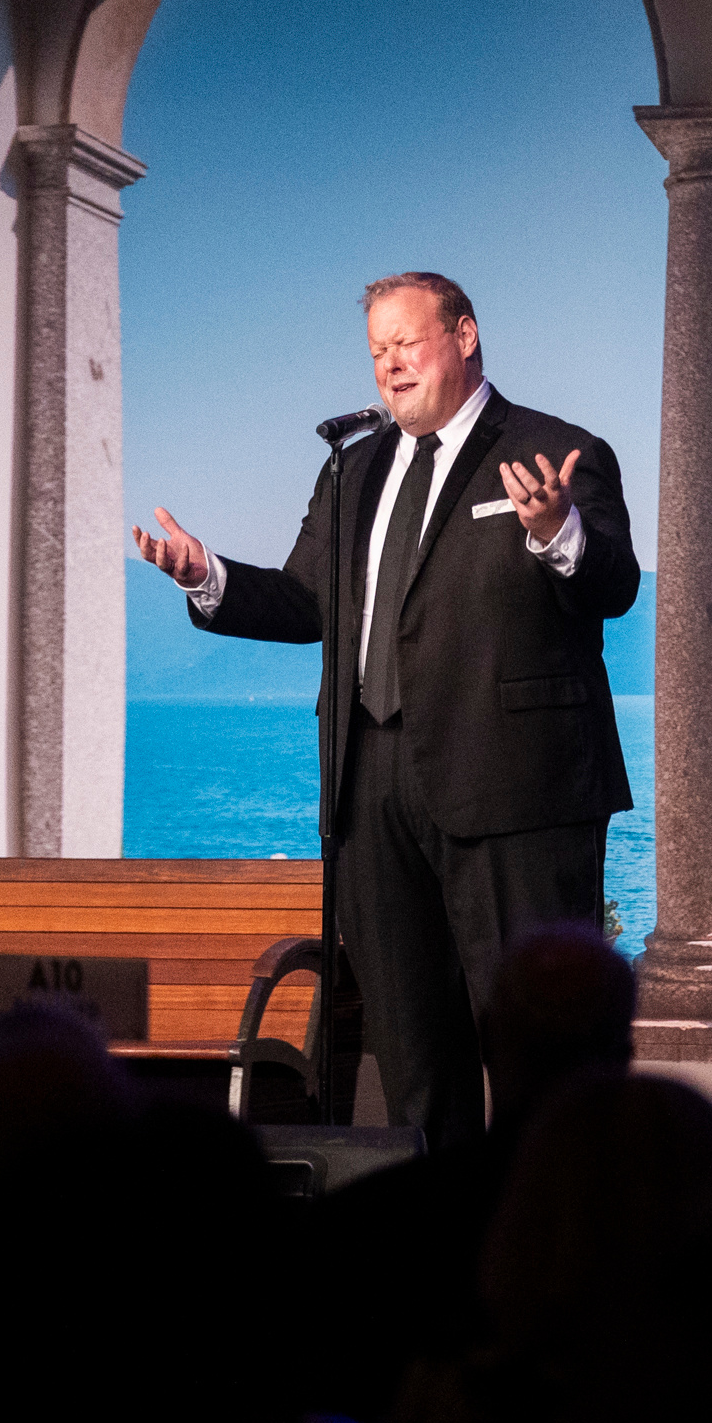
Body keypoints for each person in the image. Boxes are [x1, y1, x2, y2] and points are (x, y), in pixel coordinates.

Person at [133, 273, 641, 1145]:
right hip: (371, 792)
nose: (390, 365)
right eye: (377, 351)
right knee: (412, 1057)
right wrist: (206, 576)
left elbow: (615, 586)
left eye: (407, 342)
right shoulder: (353, 469)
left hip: (516, 795)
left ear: (466, 336)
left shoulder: (557, 450)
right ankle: (438, 1251)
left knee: (541, 1060)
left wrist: (557, 533)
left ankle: (548, 1250)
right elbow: (306, 602)